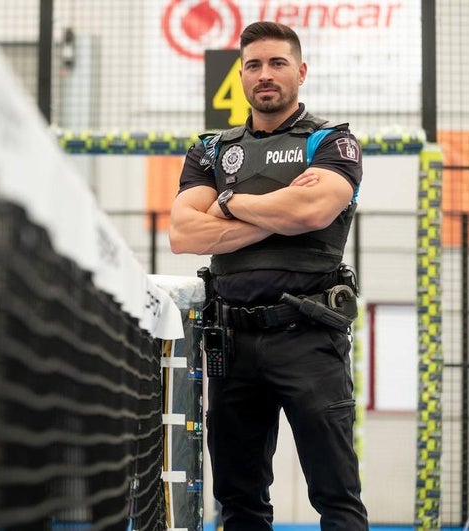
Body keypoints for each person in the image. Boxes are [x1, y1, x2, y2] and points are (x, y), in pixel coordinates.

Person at [169, 21, 368, 531]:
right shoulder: (211, 150)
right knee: (239, 500)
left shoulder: (331, 142)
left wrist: (231, 201)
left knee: (336, 496)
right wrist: (277, 215)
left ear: (300, 72)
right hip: (231, 343)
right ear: (241, 76)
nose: (265, 74)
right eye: (254, 65)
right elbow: (184, 232)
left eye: (277, 63)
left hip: (308, 338)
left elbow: (313, 212)